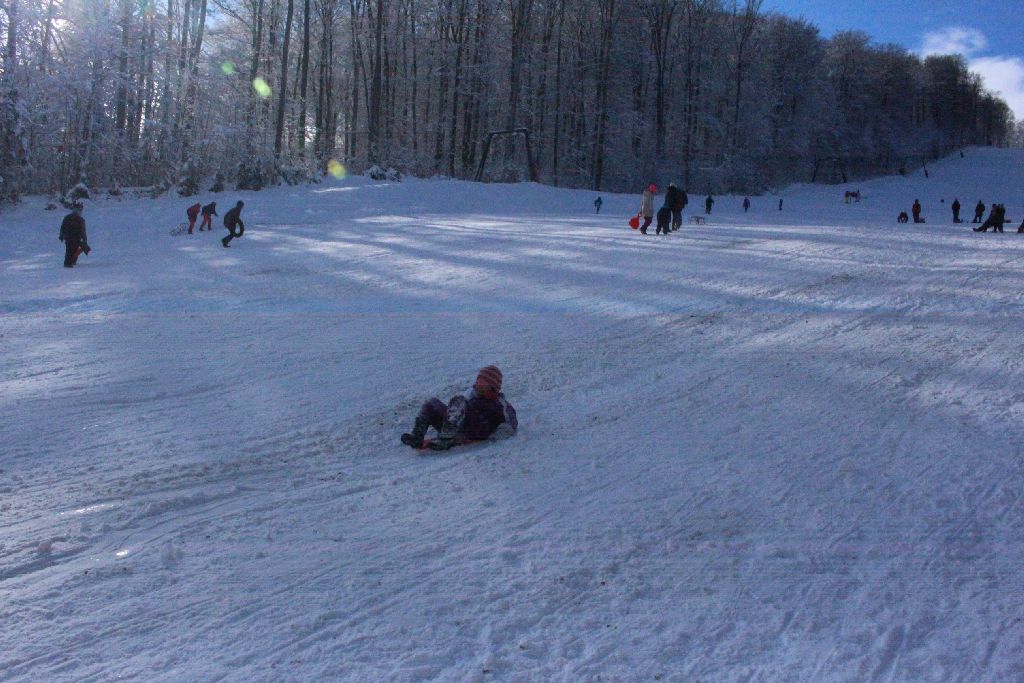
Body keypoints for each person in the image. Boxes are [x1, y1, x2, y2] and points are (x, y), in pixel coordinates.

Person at [400, 365, 518, 451]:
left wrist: (494, 436)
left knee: (461, 402)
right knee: (432, 403)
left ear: (493, 386)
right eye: (478, 381)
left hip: (477, 429)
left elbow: (512, 422)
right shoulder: (472, 394)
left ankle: (448, 436)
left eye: (482, 383)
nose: (478, 385)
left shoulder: (499, 403)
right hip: (457, 426)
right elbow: (455, 409)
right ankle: (418, 435)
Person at [59, 203, 90, 267]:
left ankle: (70, 262)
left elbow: (63, 227)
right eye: (80, 210)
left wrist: (61, 236)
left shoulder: (67, 217)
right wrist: (84, 240)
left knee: (70, 250)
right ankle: (69, 263)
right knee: (74, 250)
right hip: (75, 238)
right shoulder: (80, 219)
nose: (80, 211)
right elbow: (83, 231)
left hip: (68, 238)